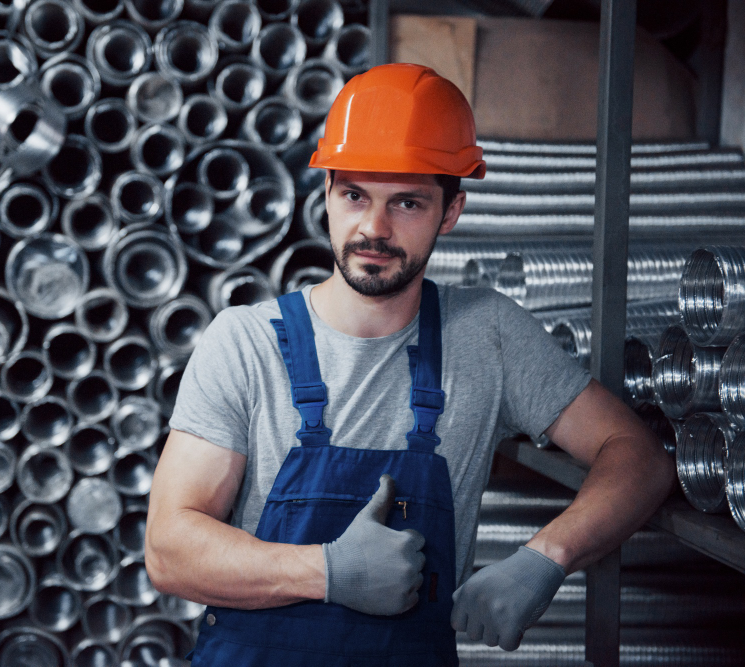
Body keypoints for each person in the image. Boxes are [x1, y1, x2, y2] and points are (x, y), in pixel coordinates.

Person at [145, 63, 675, 665]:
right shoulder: (244, 343)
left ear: (451, 211)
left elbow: (639, 459)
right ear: (325, 193)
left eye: (407, 203)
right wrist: (326, 572)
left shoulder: (487, 334)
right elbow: (169, 550)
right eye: (354, 195)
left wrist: (545, 558)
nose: (373, 227)